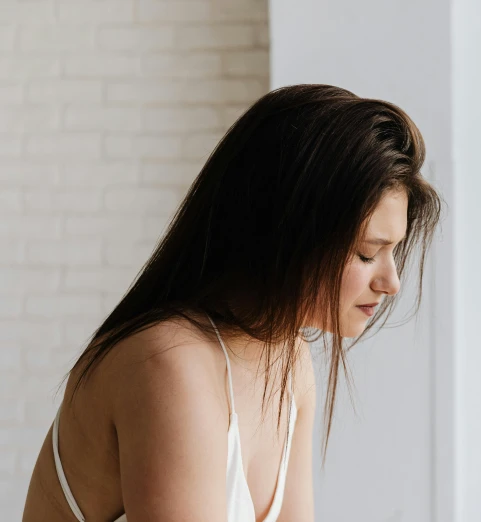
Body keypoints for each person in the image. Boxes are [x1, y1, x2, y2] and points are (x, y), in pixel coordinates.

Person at [21, 84, 443, 522]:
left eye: (393, 252)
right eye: (367, 253)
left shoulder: (290, 361)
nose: (391, 282)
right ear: (288, 234)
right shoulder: (170, 363)